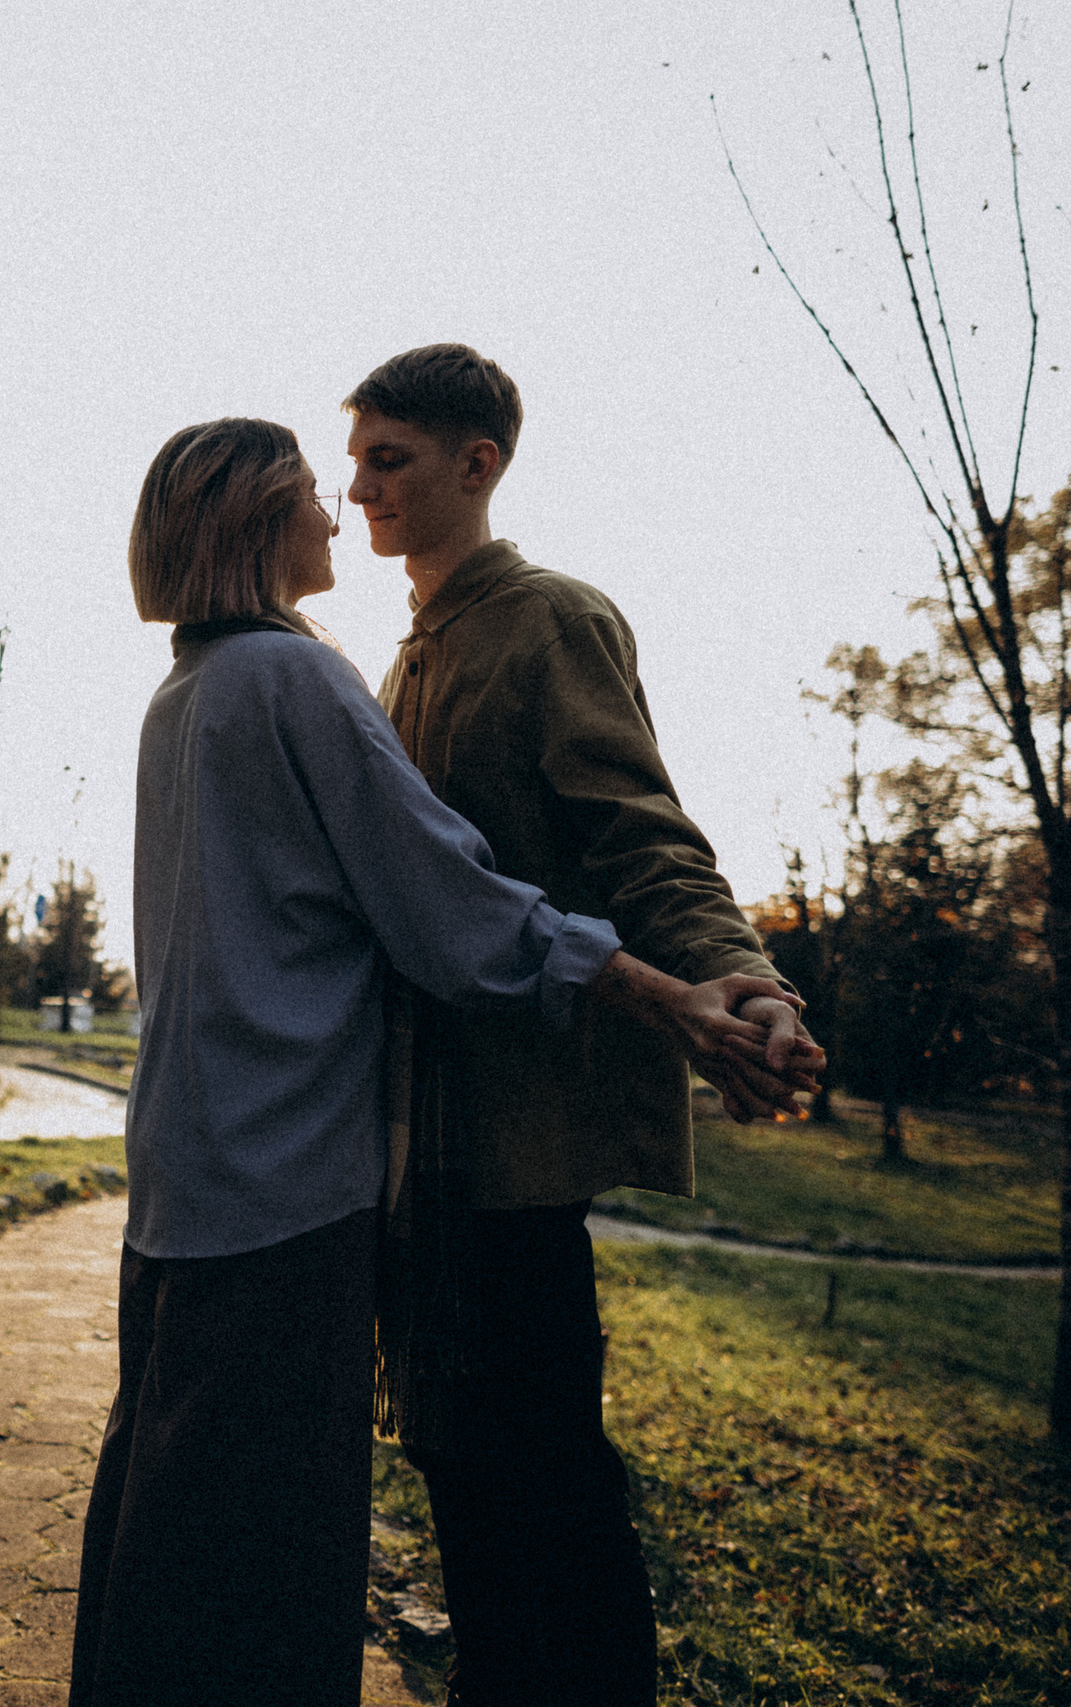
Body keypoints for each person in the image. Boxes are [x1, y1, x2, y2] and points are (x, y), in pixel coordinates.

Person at [69, 417, 803, 1707]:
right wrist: (657, 995)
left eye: (366, 470)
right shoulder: (294, 681)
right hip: (284, 1177)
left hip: (186, 1172)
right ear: (253, 523)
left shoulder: (183, 694)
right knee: (266, 1535)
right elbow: (446, 903)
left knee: (171, 1499)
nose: (336, 507)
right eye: (311, 488)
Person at [345, 344, 824, 1706]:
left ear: (476, 463)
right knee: (463, 1477)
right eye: (361, 458)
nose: (360, 486)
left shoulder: (550, 619)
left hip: (518, 1149)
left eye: (392, 458)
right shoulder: (408, 652)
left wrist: (749, 980)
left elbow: (645, 836)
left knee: (548, 1481)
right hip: (422, 1147)